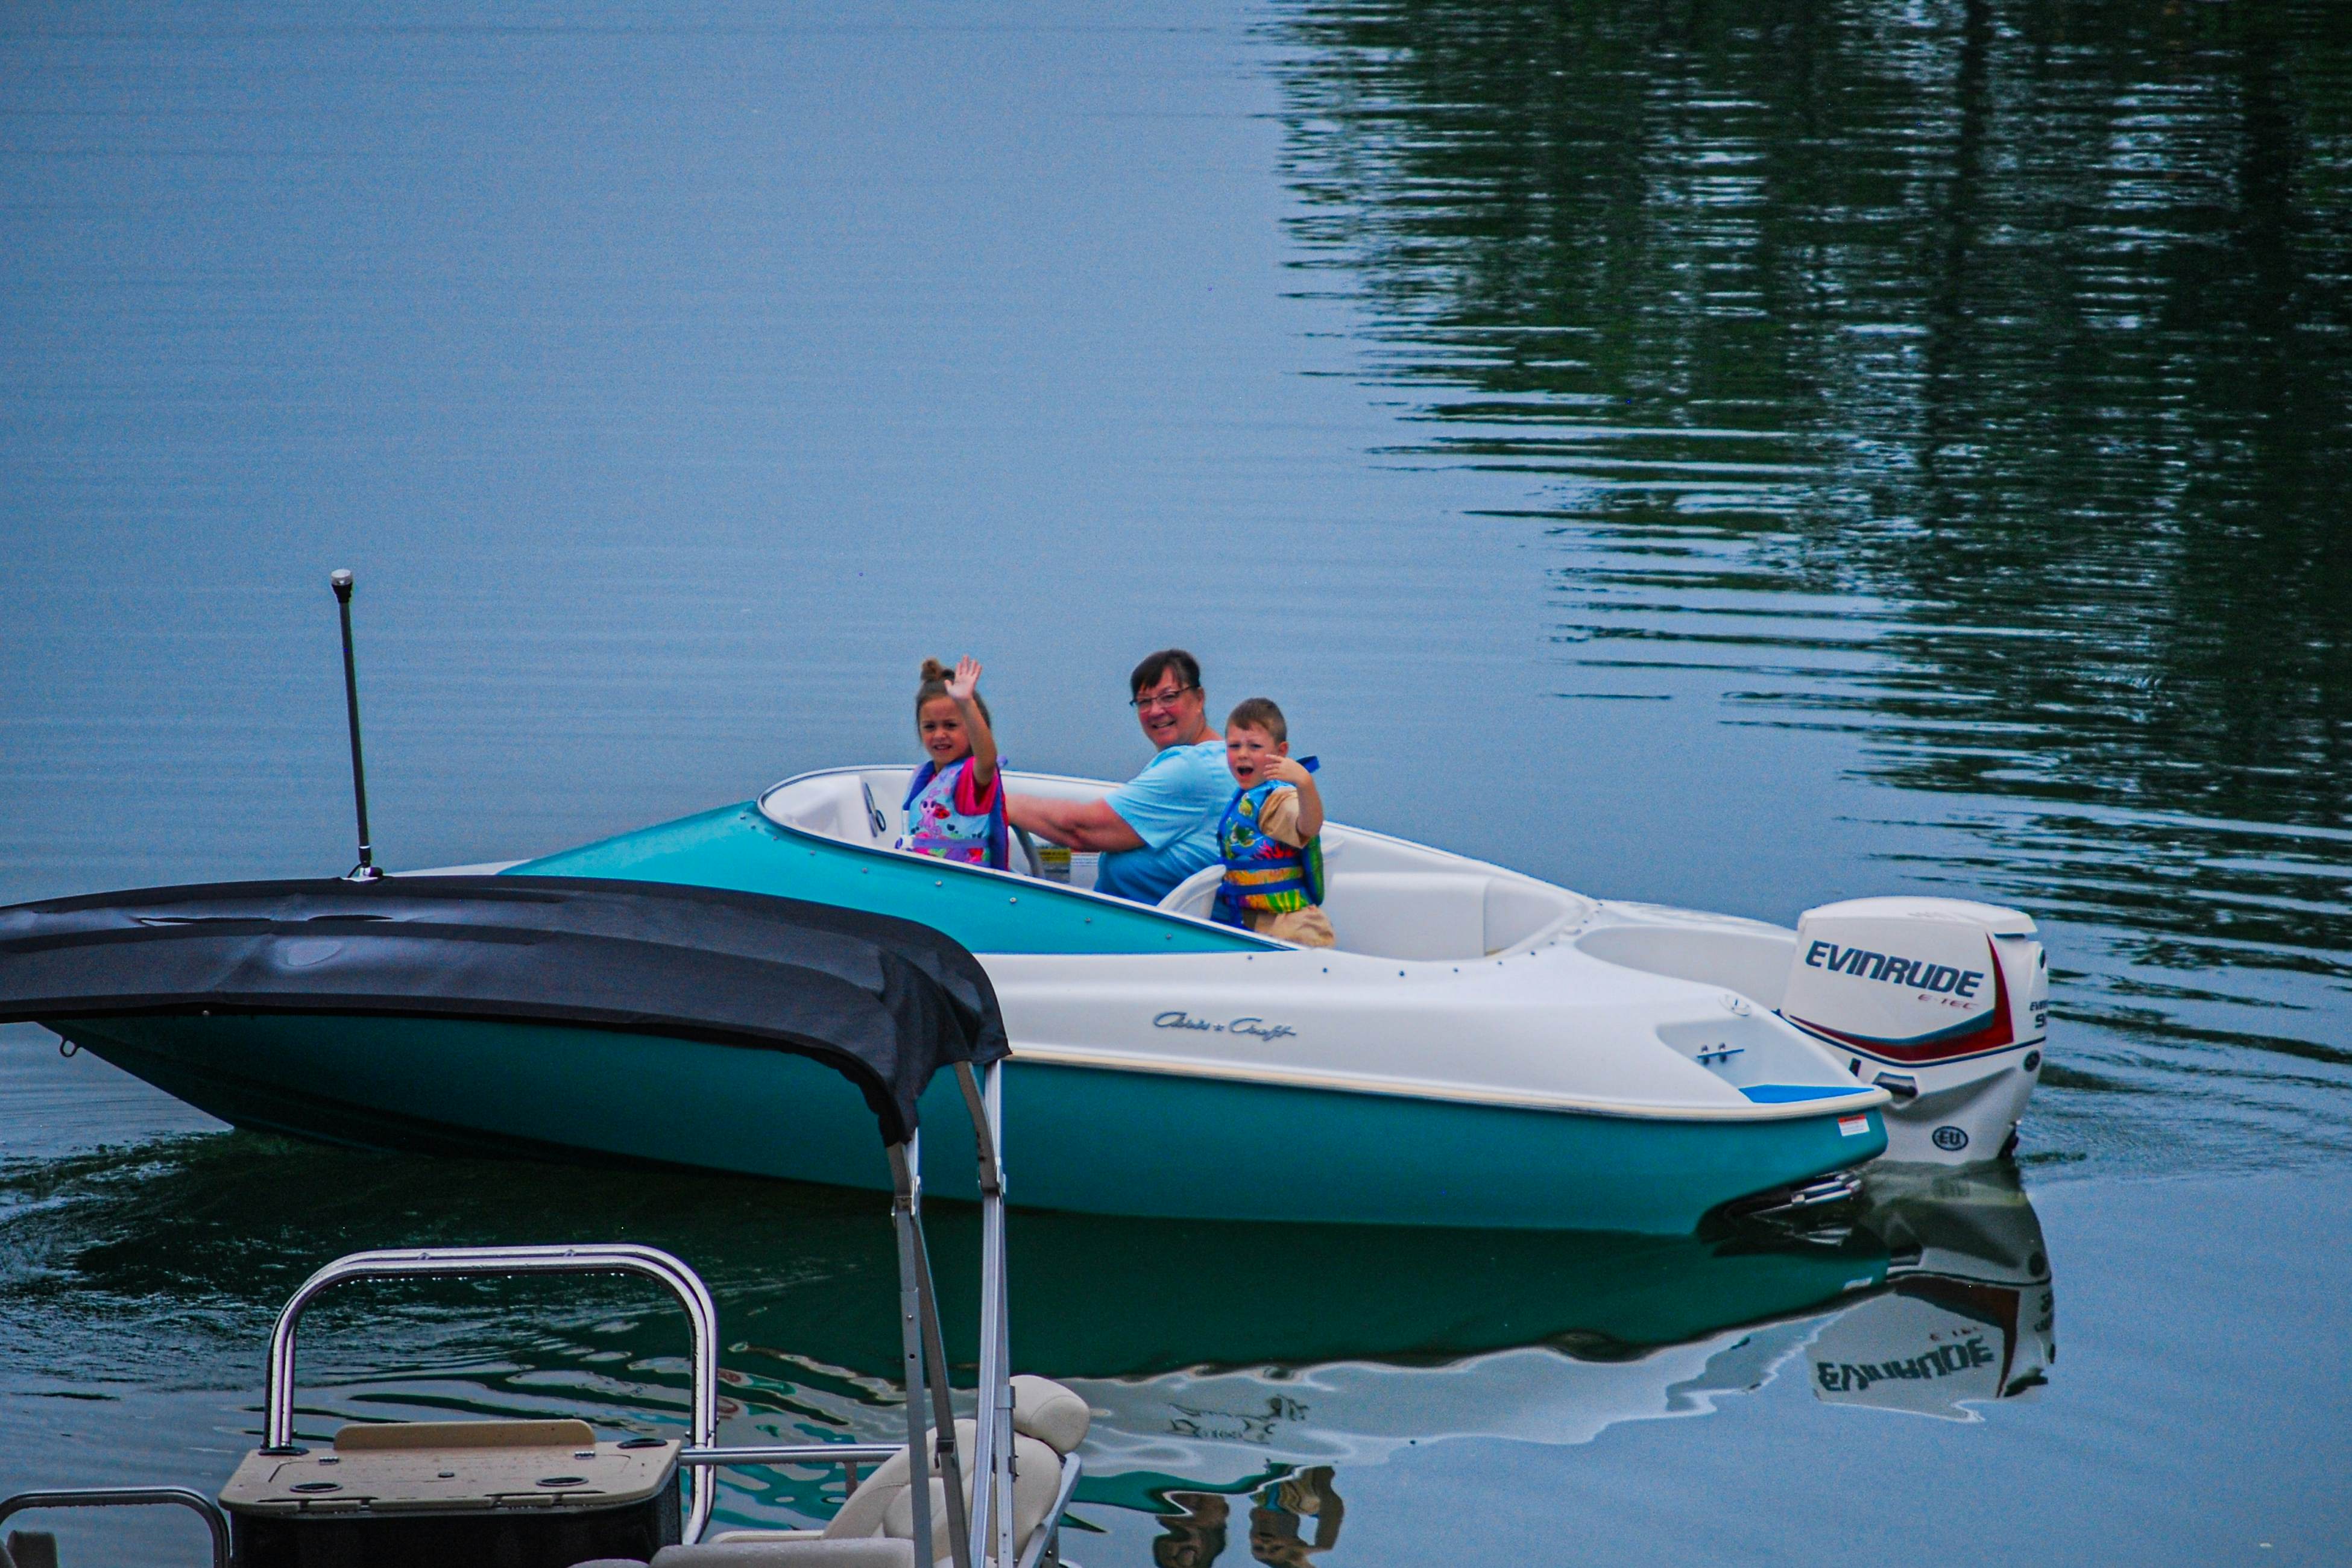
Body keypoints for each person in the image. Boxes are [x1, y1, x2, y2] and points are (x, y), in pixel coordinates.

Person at [1007, 649, 1230, 904]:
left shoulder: (1192, 769)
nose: (1156, 711)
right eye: (1145, 702)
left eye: (1169, 698)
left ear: (1199, 698)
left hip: (1159, 934)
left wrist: (1003, 804)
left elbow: (1081, 830)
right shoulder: (1220, 757)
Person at [1213, 697, 1335, 948]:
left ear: (1281, 753)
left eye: (1255, 746)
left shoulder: (1278, 799)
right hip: (1260, 924)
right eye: (1234, 746)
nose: (1243, 754)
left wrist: (1305, 783)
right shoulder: (1248, 796)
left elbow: (1308, 826)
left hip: (1295, 930)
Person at [895, 656, 1006, 869]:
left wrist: (966, 704)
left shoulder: (970, 779)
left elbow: (986, 761)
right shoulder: (926, 776)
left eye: (951, 725)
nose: (939, 735)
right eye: (930, 727)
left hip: (962, 888)